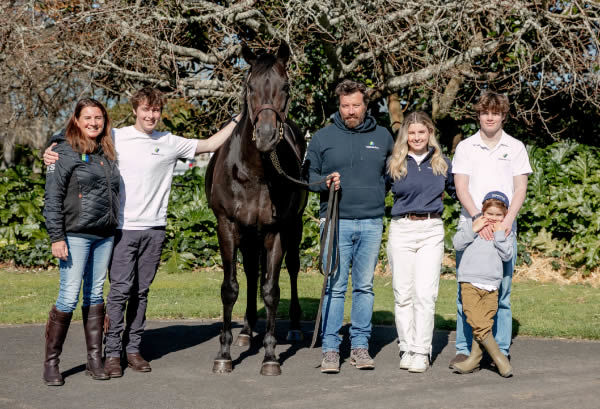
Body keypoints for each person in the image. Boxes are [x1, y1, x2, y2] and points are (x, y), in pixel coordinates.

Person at [44, 87, 239, 377]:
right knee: (118, 291)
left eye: (156, 110)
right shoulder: (117, 136)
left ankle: (133, 349)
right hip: (121, 229)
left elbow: (209, 144)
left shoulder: (170, 141)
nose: (151, 115)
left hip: (155, 229)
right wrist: (50, 147)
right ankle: (111, 354)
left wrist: (239, 119)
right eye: (146, 109)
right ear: (135, 109)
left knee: (141, 292)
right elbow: (82, 134)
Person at [304, 79, 394, 373]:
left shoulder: (383, 136)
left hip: (371, 221)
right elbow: (308, 177)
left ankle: (359, 347)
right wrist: (324, 181)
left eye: (356, 105)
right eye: (345, 106)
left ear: (365, 105)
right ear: (338, 106)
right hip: (335, 221)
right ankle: (330, 350)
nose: (350, 111)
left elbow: (393, 175)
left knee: (365, 287)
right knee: (335, 286)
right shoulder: (321, 137)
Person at [449, 91, 532, 367]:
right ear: (479, 114)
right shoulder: (466, 147)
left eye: (495, 113)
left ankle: (501, 349)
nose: (490, 117)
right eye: (485, 112)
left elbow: (520, 189)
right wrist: (477, 219)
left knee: (502, 293)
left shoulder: (516, 147)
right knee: (467, 291)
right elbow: (461, 186)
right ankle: (464, 347)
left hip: (503, 229)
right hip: (472, 226)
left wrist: (506, 222)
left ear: (503, 115)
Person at [43, 98, 120, 385]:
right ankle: (51, 363)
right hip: (74, 236)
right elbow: (51, 198)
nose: (93, 122)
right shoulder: (63, 152)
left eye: (98, 117)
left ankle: (94, 360)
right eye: (87, 117)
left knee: (95, 295)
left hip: (104, 236)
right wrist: (56, 237)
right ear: (76, 120)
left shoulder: (107, 151)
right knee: (68, 296)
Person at [386, 111, 455, 373]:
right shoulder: (394, 163)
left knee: (425, 294)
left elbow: (458, 192)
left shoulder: (441, 163)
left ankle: (421, 351)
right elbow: (375, 191)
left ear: (429, 134)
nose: (416, 137)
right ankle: (406, 346)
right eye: (412, 132)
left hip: (431, 229)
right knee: (403, 294)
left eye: (421, 132)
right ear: (406, 135)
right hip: (402, 229)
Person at [451, 191, 514, 377]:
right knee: (476, 320)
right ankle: (499, 359)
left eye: (498, 215)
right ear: (482, 212)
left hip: (492, 284)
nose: (493, 219)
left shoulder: (505, 232)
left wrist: (500, 235)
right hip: (469, 281)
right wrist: (473, 228)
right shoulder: (473, 225)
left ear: (505, 215)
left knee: (483, 323)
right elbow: (457, 244)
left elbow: (507, 255)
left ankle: (474, 360)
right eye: (490, 214)